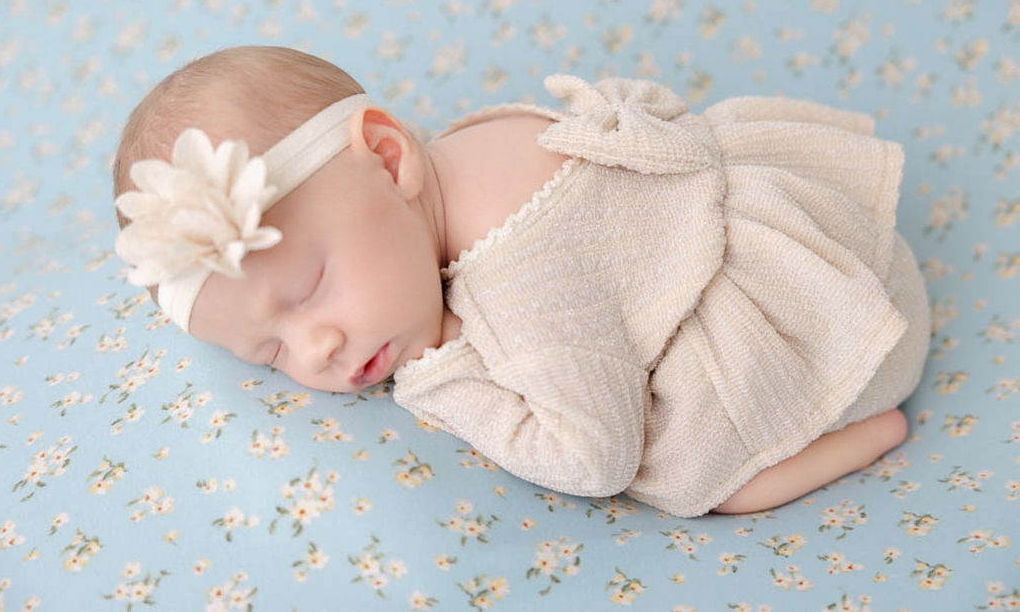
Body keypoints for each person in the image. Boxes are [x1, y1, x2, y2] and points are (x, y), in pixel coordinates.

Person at [112, 45, 931, 517]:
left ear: (389, 158)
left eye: (311, 287)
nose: (316, 348)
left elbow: (593, 455)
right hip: (812, 227)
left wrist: (443, 374)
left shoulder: (514, 278)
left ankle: (858, 436)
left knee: (677, 472)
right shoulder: (462, 156)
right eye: (267, 351)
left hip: (833, 332)